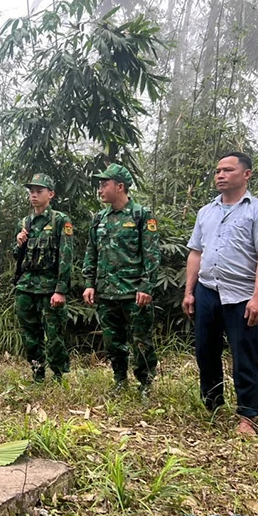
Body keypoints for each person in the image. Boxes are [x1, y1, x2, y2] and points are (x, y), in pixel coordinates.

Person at [182, 152, 258, 436]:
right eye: (217, 171)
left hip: (241, 295)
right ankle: (212, 405)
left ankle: (247, 416)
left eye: (228, 170)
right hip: (207, 292)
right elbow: (195, 253)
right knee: (205, 351)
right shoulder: (206, 211)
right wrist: (189, 292)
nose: (220, 175)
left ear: (246, 174)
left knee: (244, 354)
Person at [82, 164, 160, 398]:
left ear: (120, 186)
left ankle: (145, 385)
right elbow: (91, 252)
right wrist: (89, 282)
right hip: (106, 292)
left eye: (104, 184)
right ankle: (119, 381)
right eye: (99, 185)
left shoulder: (141, 215)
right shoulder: (99, 218)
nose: (100, 189)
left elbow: (152, 254)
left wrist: (146, 286)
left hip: (134, 292)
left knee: (141, 342)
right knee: (112, 342)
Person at [13, 173, 73, 383]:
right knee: (30, 334)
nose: (34, 195)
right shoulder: (25, 221)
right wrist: (19, 243)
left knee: (54, 334)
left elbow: (66, 256)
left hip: (49, 287)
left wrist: (60, 290)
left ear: (51, 194)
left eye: (39, 191)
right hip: (26, 287)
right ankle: (37, 372)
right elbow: (17, 257)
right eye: (31, 192)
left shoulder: (60, 220)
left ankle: (58, 375)